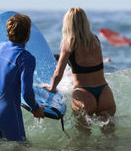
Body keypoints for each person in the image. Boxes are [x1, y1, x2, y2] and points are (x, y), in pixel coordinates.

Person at [45, 7, 116, 136]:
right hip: (105, 92)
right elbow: (90, 66)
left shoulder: (68, 44)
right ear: (85, 22)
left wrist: (52, 87)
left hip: (84, 94)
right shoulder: (95, 40)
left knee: (83, 138)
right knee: (109, 137)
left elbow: (58, 73)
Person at [0, 14, 45, 141]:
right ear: (28, 34)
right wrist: (36, 109)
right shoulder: (26, 58)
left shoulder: (0, 47)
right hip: (7, 115)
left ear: (8, 32)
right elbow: (27, 93)